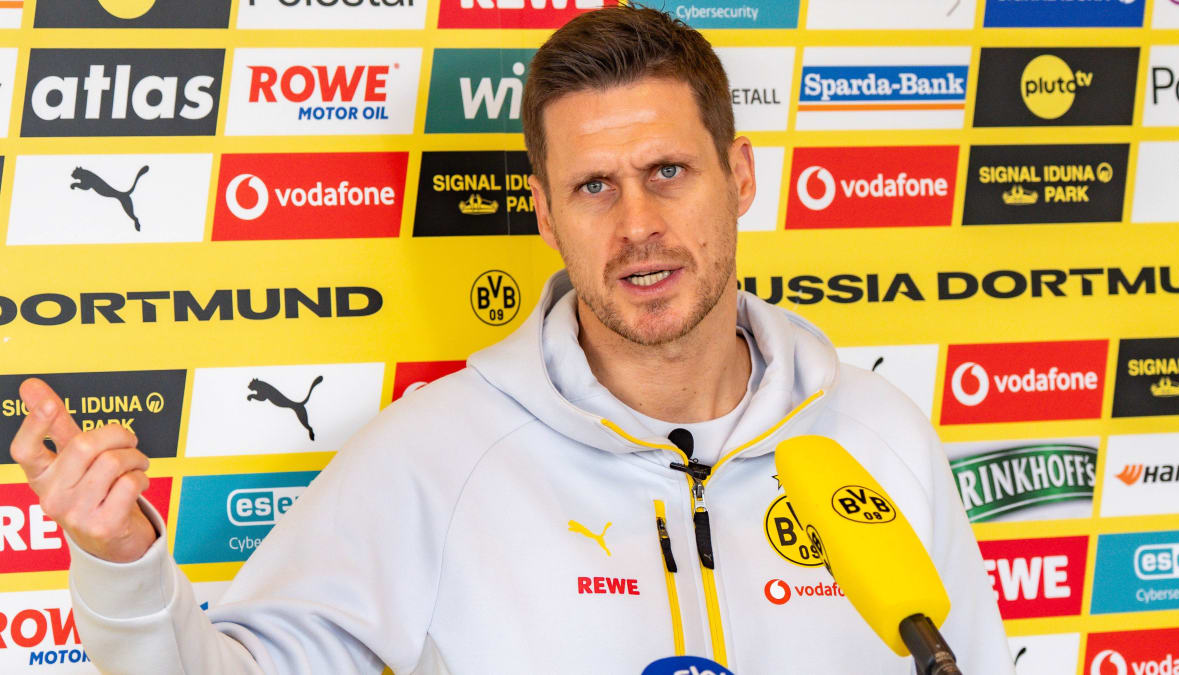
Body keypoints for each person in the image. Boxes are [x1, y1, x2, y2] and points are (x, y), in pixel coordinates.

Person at [9, 7, 1013, 674]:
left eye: (667, 172)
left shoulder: (877, 434)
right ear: (543, 212)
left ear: (740, 176)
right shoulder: (435, 454)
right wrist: (125, 564)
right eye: (594, 186)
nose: (637, 226)